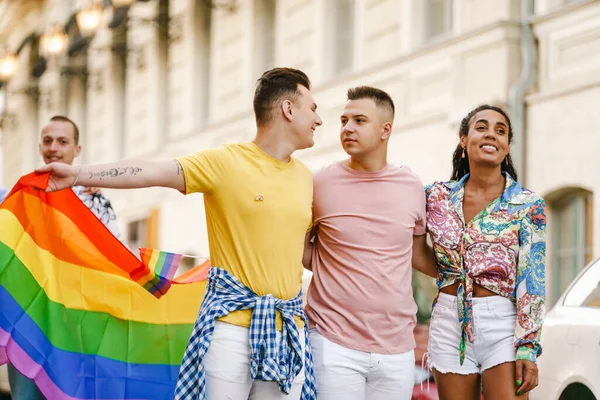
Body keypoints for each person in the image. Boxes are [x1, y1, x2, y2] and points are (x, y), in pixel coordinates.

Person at [37, 67, 323, 400]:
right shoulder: (226, 162)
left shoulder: (306, 178)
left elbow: (306, 252)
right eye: (313, 108)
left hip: (288, 332)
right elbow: (153, 171)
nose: (319, 119)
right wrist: (78, 174)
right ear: (289, 109)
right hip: (230, 332)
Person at [303, 86, 435, 400]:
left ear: (385, 130)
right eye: (343, 120)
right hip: (332, 341)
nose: (347, 128)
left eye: (359, 120)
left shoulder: (411, 185)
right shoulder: (319, 182)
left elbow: (416, 254)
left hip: (398, 347)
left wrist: (467, 278)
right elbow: (300, 247)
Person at [414, 105, 546, 400]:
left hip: (503, 322)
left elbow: (532, 279)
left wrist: (528, 345)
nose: (491, 134)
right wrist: (455, 276)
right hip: (449, 319)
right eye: (482, 127)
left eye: (501, 131)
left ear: (507, 145)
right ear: (464, 139)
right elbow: (416, 251)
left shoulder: (527, 205)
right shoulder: (435, 197)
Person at [8, 115, 123, 399]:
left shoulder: (94, 199)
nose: (54, 148)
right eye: (48, 141)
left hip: (75, 321)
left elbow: (114, 258)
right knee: (25, 395)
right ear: (39, 147)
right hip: (28, 322)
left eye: (62, 141)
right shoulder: (21, 194)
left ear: (77, 149)